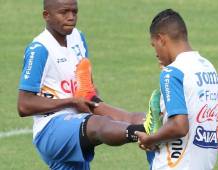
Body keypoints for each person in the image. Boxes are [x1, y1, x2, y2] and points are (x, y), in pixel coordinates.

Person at [17, 0, 147, 169]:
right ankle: (141, 134)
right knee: (100, 124)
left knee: (126, 117)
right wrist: (71, 101)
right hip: (50, 128)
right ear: (46, 16)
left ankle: (160, 126)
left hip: (78, 120)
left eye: (74, 12)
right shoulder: (39, 49)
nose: (71, 17)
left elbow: (85, 85)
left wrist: (92, 98)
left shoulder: (78, 37)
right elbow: (24, 105)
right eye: (64, 12)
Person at [136, 9, 218, 170]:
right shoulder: (208, 67)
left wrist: (150, 139)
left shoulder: (172, 72)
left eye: (154, 46)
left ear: (161, 39)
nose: (156, 53)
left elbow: (179, 126)